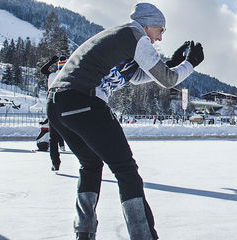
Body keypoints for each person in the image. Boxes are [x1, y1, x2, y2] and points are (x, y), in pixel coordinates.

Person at [46, 3, 202, 239]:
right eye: (160, 30)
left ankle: (84, 232)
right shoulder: (134, 35)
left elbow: (139, 76)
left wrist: (170, 62)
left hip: (58, 104)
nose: (159, 38)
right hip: (84, 101)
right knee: (126, 171)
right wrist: (191, 64)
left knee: (90, 165)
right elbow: (167, 80)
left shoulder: (122, 39)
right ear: (147, 25)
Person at [41, 56, 68, 170]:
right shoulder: (70, 75)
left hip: (52, 104)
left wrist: (51, 61)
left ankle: (55, 163)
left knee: (53, 137)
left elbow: (43, 70)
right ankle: (87, 160)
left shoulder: (52, 76)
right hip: (66, 106)